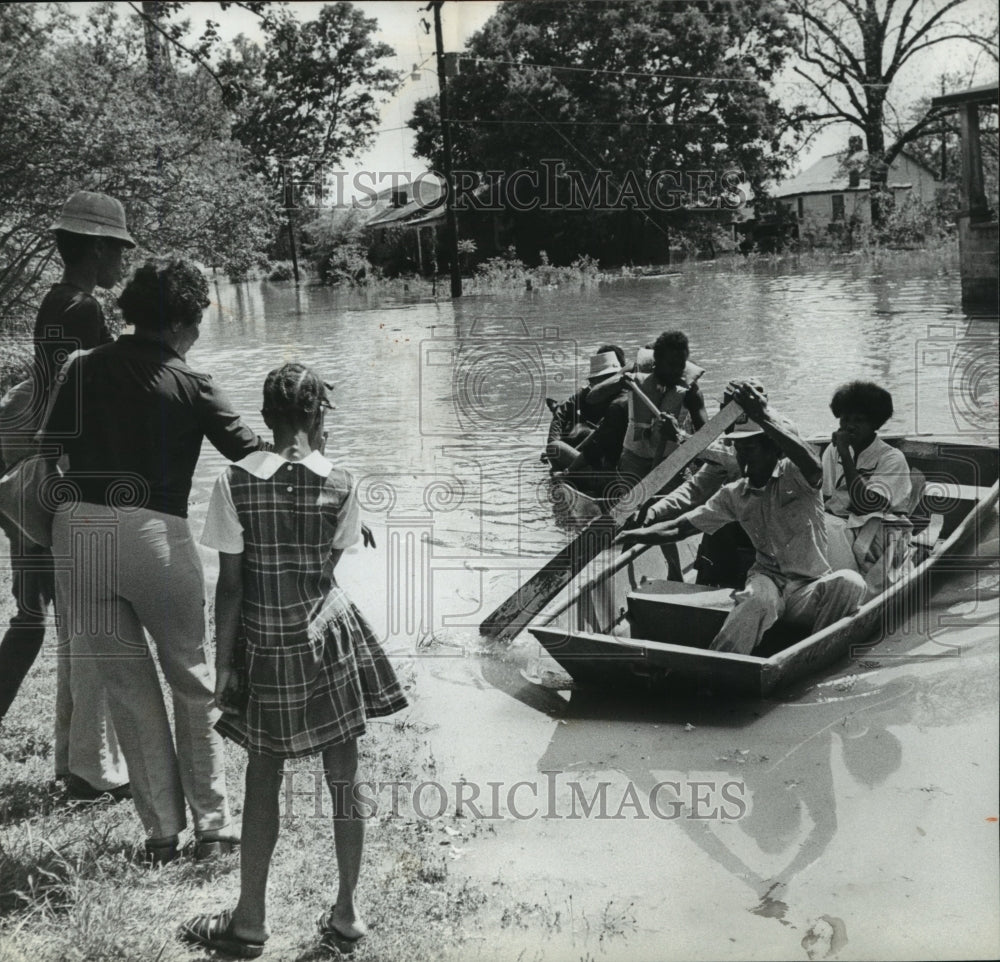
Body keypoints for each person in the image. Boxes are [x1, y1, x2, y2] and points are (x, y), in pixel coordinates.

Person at [41, 258, 271, 862]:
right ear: (185, 322)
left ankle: (162, 834)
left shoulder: (82, 367)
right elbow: (255, 459)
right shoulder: (193, 383)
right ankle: (214, 829)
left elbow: (50, 458)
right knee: (192, 682)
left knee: (125, 686)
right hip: (156, 535)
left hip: (81, 535)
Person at [181, 363, 408, 958]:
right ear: (317, 418)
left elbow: (230, 585)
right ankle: (349, 913)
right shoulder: (343, 481)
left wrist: (224, 662)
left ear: (264, 418)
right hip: (328, 635)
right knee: (344, 772)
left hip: (266, 640)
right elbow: (328, 570)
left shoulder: (233, 482)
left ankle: (250, 920)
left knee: (264, 775)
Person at [0, 190, 135, 800]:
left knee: (52, 624)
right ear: (96, 247)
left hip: (48, 469)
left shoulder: (56, 303)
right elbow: (95, 399)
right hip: (74, 476)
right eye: (119, 250)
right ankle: (90, 769)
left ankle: (75, 761)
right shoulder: (82, 311)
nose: (125, 263)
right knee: (90, 627)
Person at [618, 381, 866, 655]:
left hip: (807, 587)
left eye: (751, 449)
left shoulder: (796, 475)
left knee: (851, 583)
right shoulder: (734, 494)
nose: (743, 458)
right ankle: (719, 662)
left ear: (774, 451)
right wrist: (633, 534)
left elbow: (813, 464)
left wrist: (760, 415)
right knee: (757, 599)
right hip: (767, 580)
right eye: (740, 450)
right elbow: (681, 528)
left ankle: (815, 654)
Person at [627, 378, 767, 589]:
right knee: (713, 529)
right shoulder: (726, 447)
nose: (721, 412)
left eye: (727, 408)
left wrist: (681, 437)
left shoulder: (768, 444)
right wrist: (654, 512)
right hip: (736, 533)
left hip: (761, 537)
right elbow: (695, 489)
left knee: (720, 527)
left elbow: (730, 458)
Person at [822, 381, 911, 596]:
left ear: (874, 424)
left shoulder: (891, 458)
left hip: (880, 528)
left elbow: (867, 505)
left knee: (831, 526)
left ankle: (851, 594)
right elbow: (825, 497)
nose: (849, 426)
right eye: (845, 419)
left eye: (859, 420)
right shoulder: (832, 452)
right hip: (842, 525)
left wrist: (845, 454)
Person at [544, 345, 627, 471]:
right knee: (562, 441)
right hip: (593, 446)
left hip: (602, 454)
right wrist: (551, 443)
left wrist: (570, 465)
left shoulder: (621, 400)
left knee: (583, 434)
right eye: (596, 381)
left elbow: (598, 437)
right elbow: (561, 414)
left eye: (606, 379)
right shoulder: (586, 394)